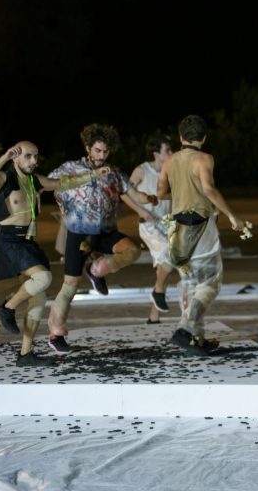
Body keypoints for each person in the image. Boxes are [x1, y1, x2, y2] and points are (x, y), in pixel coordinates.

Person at [0, 141, 110, 365]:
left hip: (28, 242)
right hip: (9, 241)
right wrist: (4, 157)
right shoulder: (5, 178)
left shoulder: (35, 180)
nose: (34, 161)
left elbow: (65, 183)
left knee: (39, 299)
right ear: (16, 158)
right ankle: (7, 308)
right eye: (29, 157)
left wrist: (94, 175)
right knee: (43, 278)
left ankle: (25, 353)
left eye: (36, 156)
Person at [46, 124, 158, 354]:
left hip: (105, 231)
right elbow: (46, 183)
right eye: (97, 150)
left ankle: (97, 270)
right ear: (88, 148)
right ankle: (55, 334)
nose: (101, 156)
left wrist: (150, 198)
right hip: (78, 232)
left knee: (132, 251)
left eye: (105, 151)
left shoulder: (114, 173)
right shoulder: (71, 168)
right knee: (70, 286)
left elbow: (135, 195)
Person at [157, 114, 244, 356]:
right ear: (203, 138)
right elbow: (208, 189)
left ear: (180, 137)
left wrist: (182, 195)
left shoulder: (170, 161)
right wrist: (231, 215)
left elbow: (161, 192)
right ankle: (185, 329)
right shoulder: (204, 158)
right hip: (201, 227)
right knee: (209, 282)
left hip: (176, 229)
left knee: (190, 282)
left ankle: (197, 337)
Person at [128, 134, 175, 324]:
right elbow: (125, 193)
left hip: (166, 223)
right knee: (169, 258)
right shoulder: (142, 170)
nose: (171, 153)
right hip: (148, 225)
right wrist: (140, 211)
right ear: (156, 153)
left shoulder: (169, 172)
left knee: (164, 268)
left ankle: (153, 316)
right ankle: (157, 292)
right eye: (167, 150)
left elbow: (170, 199)